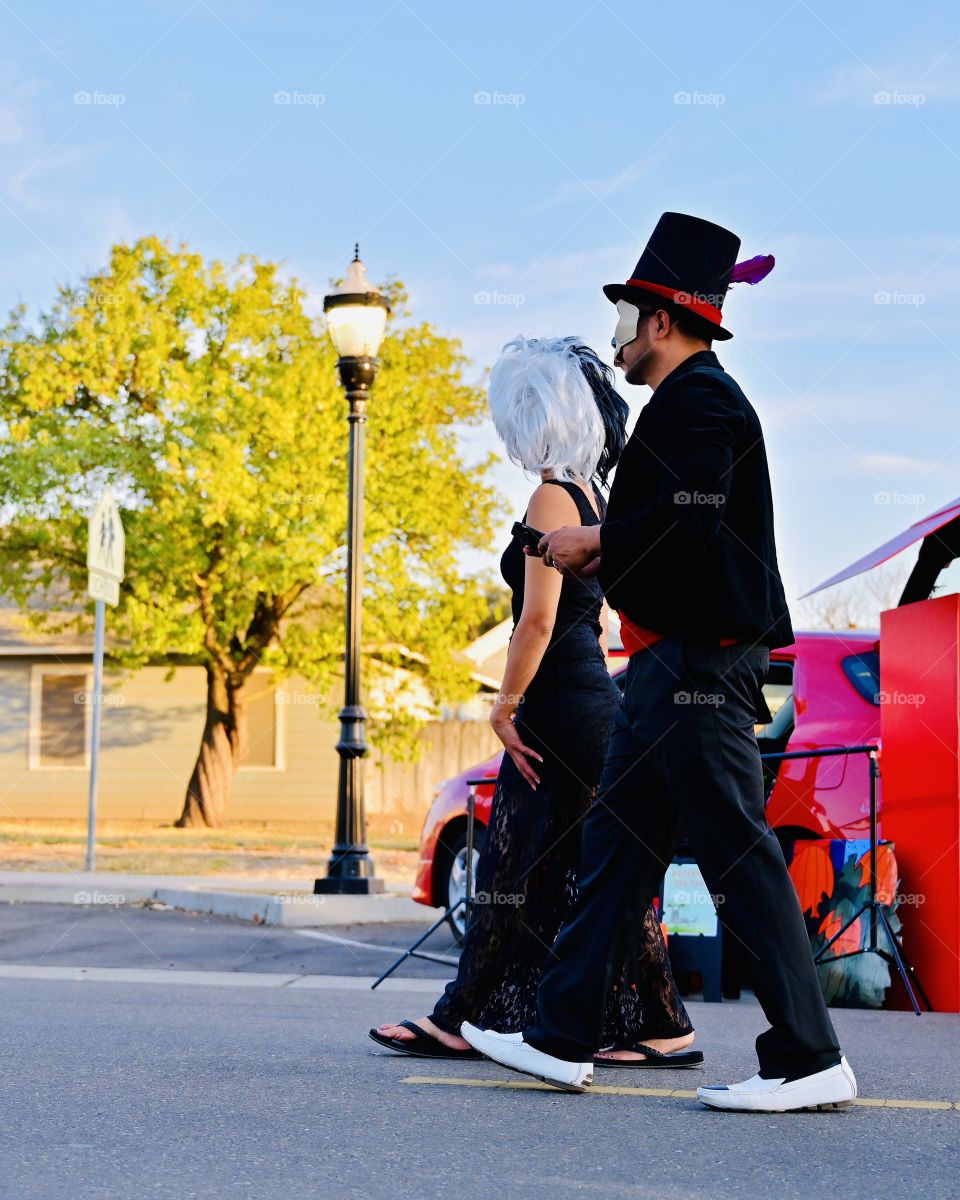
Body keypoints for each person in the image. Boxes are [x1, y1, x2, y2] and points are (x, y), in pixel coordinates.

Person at [463, 213, 859, 1112]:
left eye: (625, 319)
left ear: (661, 323)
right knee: (615, 854)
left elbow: (691, 522)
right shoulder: (680, 405)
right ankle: (560, 1038)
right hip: (661, 674)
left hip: (698, 670)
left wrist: (595, 544)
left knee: (737, 854)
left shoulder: (702, 401)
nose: (616, 340)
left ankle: (808, 1057)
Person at [370, 336, 700, 1071]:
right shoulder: (596, 499)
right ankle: (659, 1024)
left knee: (512, 868)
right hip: (588, 703)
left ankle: (464, 1018)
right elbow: (598, 620)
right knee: (589, 868)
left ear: (534, 414)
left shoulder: (552, 496)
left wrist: (503, 705)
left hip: (558, 708)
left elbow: (539, 620)